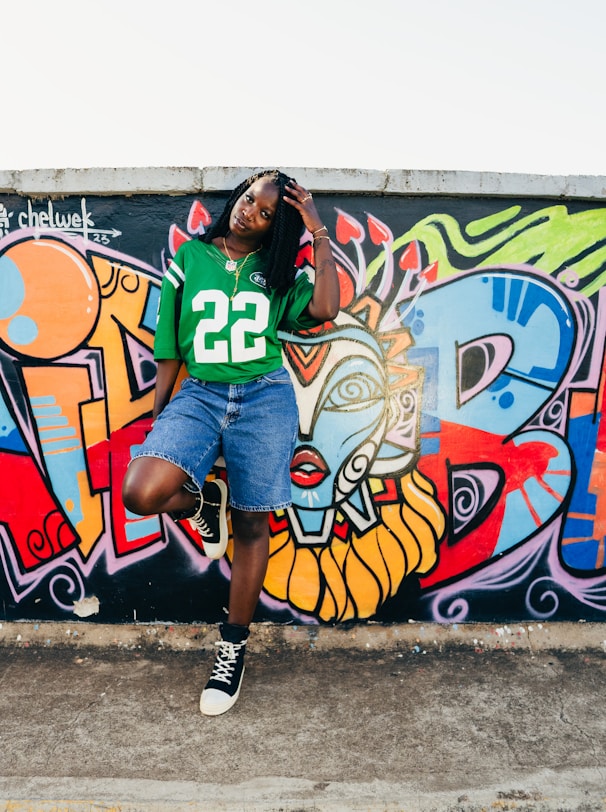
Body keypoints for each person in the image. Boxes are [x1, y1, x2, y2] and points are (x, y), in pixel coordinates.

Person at [122, 169, 339, 716]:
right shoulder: (190, 260)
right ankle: (201, 503)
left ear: (275, 229)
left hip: (265, 397)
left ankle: (232, 649)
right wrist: (160, 419)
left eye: (267, 212)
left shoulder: (276, 273)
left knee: (251, 524)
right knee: (142, 491)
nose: (250, 213)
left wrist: (316, 230)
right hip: (199, 391)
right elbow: (170, 345)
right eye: (249, 200)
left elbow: (326, 309)